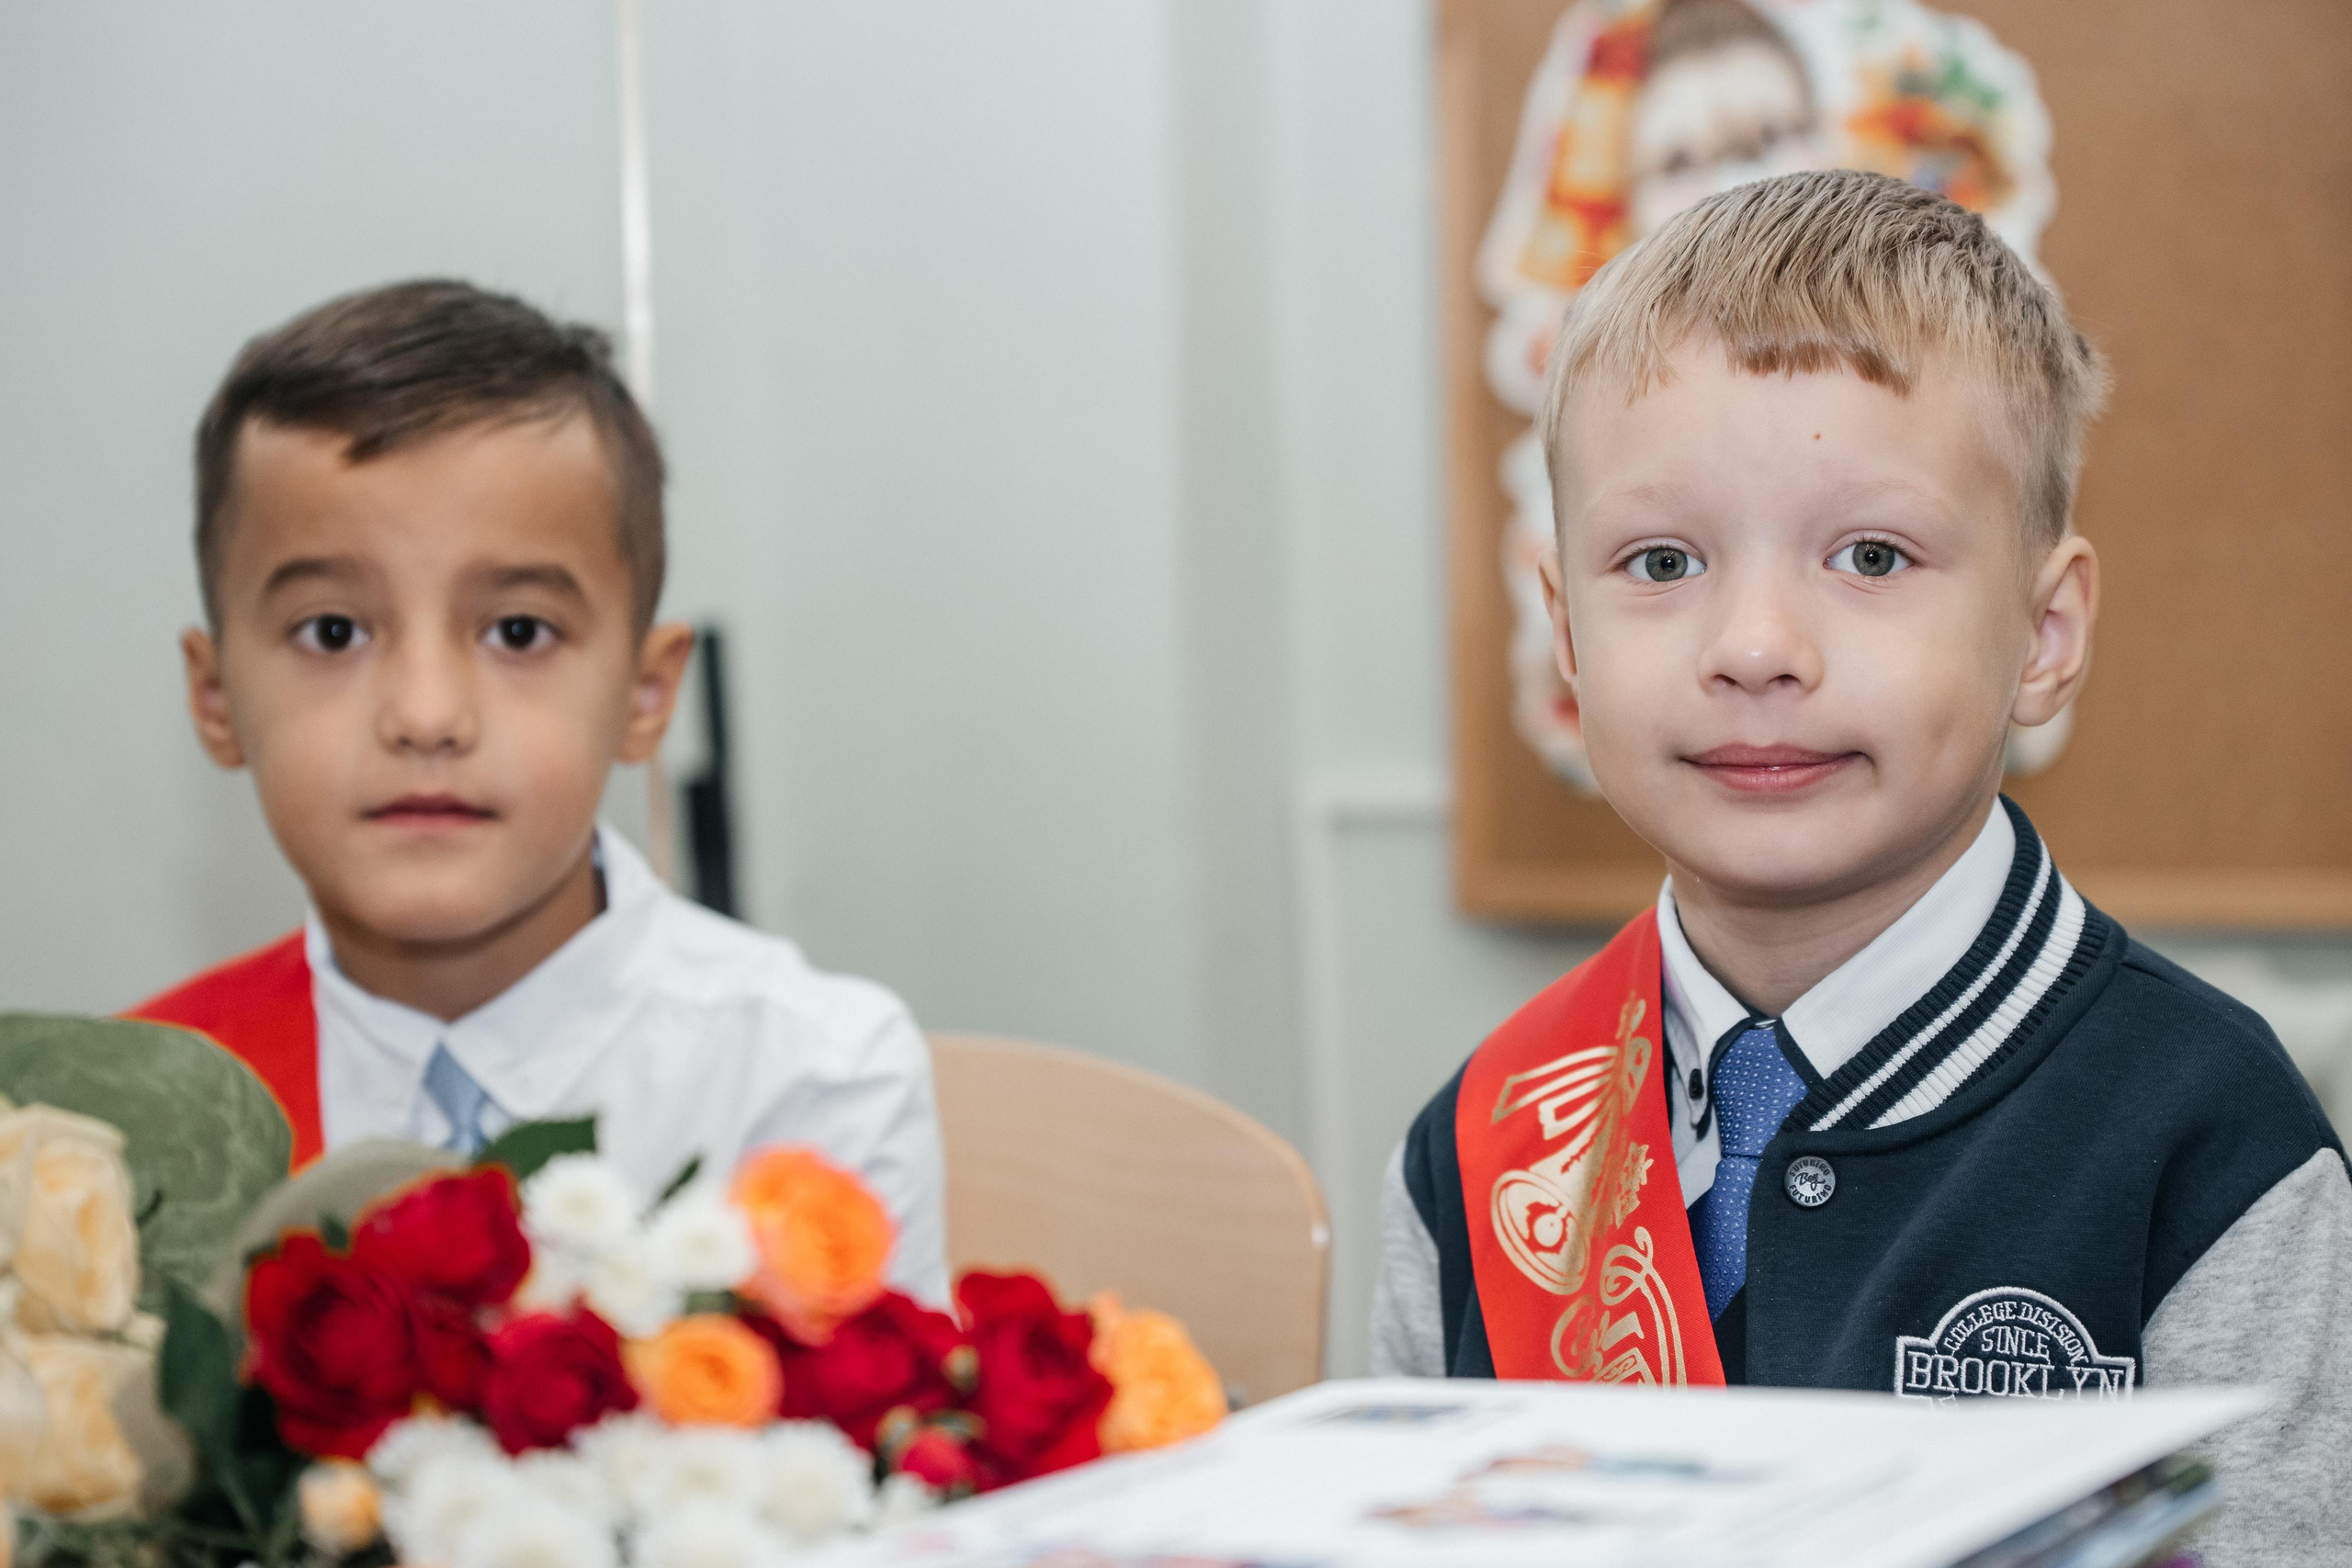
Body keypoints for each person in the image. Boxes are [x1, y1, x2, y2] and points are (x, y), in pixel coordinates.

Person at [1370, 170, 2348, 1562]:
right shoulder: (1475, 1144)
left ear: (2045, 632)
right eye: (1661, 559)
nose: (1756, 641)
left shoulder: (2210, 1141)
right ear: (1567, 635)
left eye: (1872, 553)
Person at [128, 280, 948, 1304]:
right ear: (215, 700)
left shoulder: (806, 1078)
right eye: (333, 632)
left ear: (645, 696)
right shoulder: (128, 1119)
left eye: (518, 631)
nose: (426, 716)